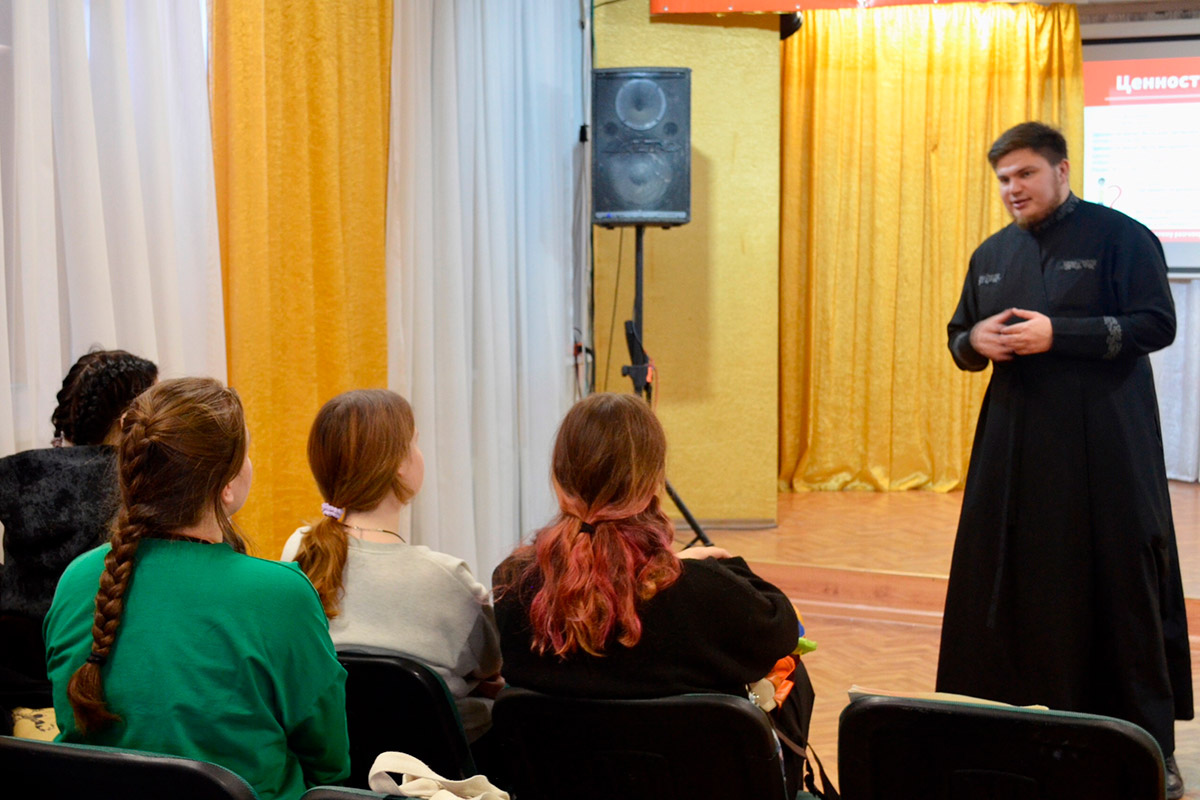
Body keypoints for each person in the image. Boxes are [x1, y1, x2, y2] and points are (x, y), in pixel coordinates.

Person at [936, 121, 1192, 798]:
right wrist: (974, 340)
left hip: (1108, 449)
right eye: (1002, 179)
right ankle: (1026, 735)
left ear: (1062, 170)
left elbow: (1156, 324)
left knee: (1122, 587)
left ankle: (1148, 749)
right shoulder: (992, 253)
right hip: (1014, 451)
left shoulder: (1121, 237)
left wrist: (1061, 334)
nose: (1012, 188)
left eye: (1024, 173)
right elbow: (960, 335)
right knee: (1018, 584)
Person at [493, 393, 813, 796]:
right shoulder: (706, 591)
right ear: (652, 485)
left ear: (558, 482)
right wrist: (694, 566)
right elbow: (783, 627)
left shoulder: (514, 584)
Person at [43, 378, 349, 799]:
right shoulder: (282, 596)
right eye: (246, 453)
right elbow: (329, 762)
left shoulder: (76, 578)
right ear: (226, 485)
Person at [282, 389, 501, 743]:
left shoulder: (299, 550)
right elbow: (491, 668)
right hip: (430, 767)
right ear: (399, 463)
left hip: (331, 761)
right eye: (415, 443)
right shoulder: (448, 579)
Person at [0, 349, 157, 712]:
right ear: (128, 421)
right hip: (104, 691)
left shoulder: (19, 480)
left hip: (14, 686)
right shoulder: (137, 489)